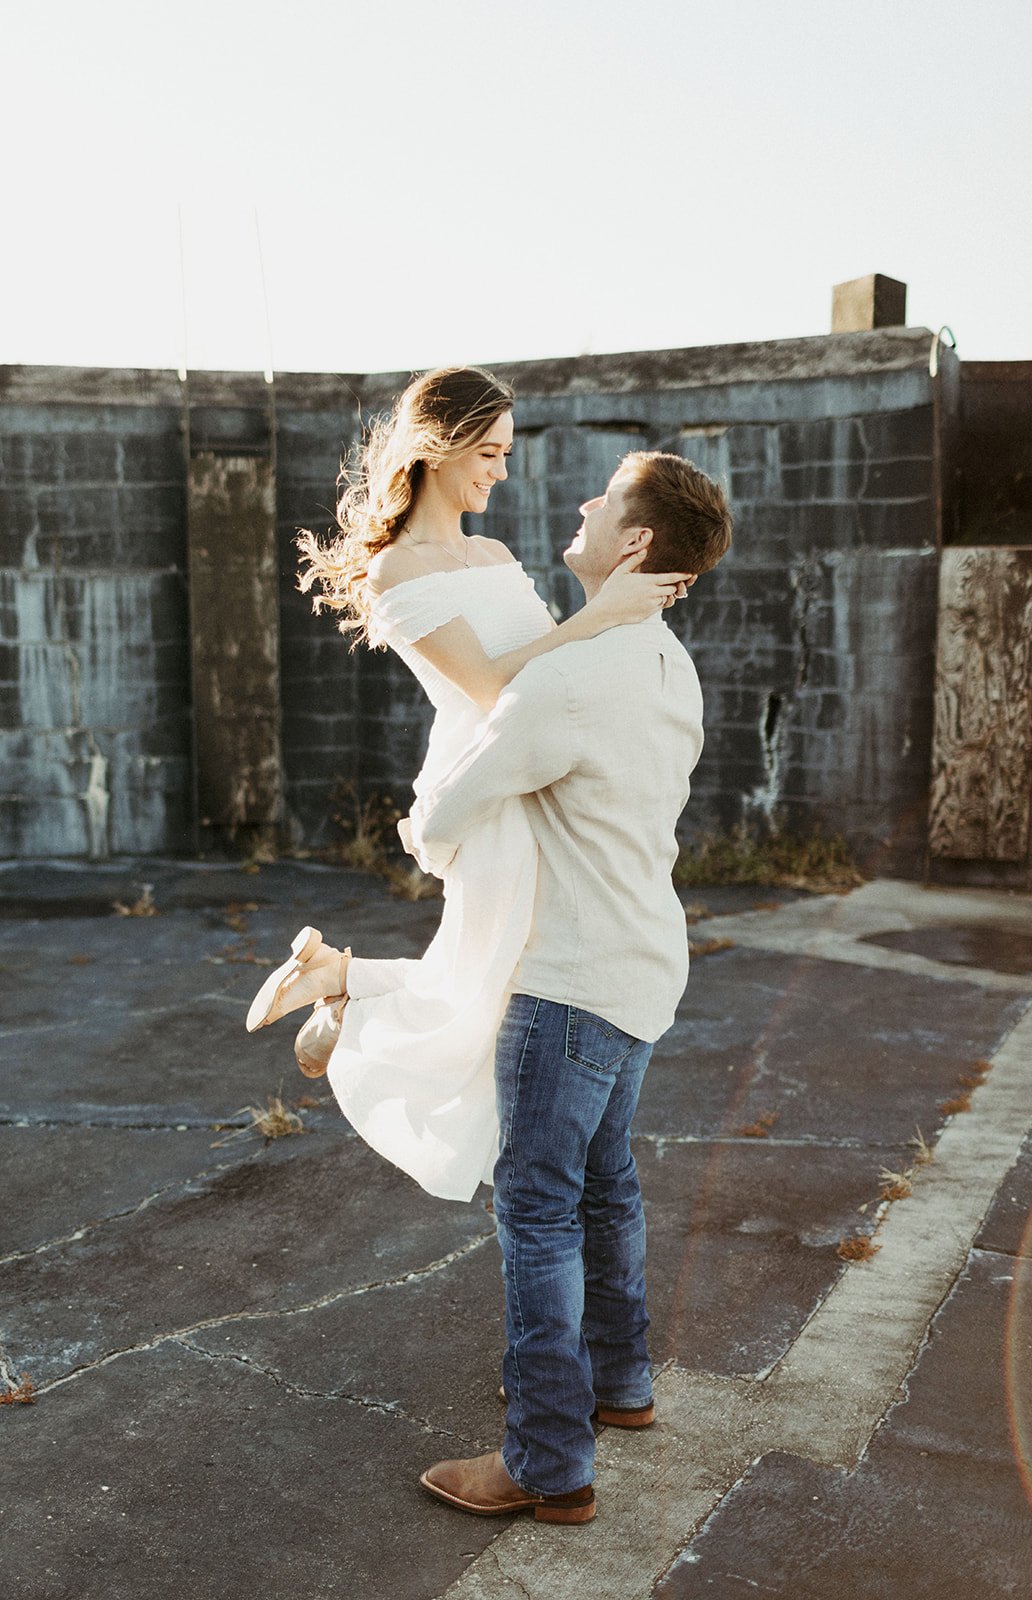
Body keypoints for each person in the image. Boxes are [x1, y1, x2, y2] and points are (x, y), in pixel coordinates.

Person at [245, 367, 689, 1202]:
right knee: (487, 981)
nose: (501, 470)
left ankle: (339, 976)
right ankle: (345, 993)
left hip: (525, 763)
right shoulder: (396, 572)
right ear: (437, 449)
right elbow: (492, 687)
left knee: (492, 969)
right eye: (488, 451)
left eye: (506, 452)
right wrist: (600, 616)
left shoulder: (489, 553)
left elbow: (553, 675)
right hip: (484, 771)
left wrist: (620, 625)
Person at [405, 449, 732, 1524]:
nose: (582, 504)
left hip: (567, 982)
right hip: (642, 964)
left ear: (634, 544)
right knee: (604, 1185)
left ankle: (546, 1461)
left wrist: (432, 834)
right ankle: (620, 1386)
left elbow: (445, 813)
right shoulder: (666, 663)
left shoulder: (567, 677)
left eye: (603, 500)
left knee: (537, 1210)